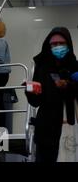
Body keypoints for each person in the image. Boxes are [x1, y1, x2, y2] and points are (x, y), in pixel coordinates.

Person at [25, 27, 78, 162]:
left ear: (68, 44)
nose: (58, 47)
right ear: (49, 46)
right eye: (54, 44)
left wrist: (68, 85)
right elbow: (35, 102)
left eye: (61, 43)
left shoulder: (74, 66)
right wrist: (30, 90)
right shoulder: (42, 66)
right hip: (46, 129)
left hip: (70, 126)